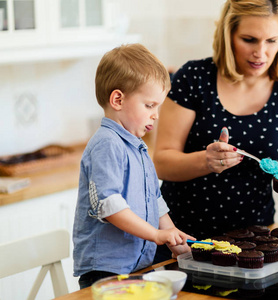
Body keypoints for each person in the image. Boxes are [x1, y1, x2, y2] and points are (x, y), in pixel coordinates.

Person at [153, 0, 278, 260]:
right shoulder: (193, 78)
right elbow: (161, 162)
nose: (260, 53)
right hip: (181, 238)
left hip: (255, 243)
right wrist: (205, 161)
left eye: (271, 41)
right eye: (249, 39)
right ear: (228, 35)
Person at [72, 43, 194, 289]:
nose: (156, 115)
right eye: (150, 105)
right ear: (118, 99)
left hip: (135, 266)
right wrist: (157, 235)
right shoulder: (107, 144)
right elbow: (110, 206)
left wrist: (173, 236)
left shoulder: (137, 147)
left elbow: (155, 199)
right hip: (105, 271)